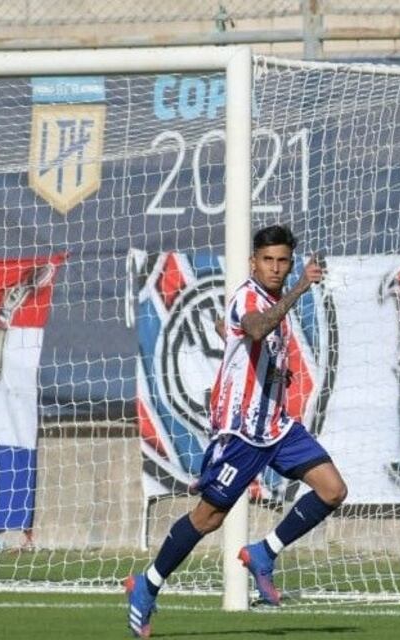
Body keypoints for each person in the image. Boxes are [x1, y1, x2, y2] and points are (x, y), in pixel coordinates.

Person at [125, 225, 348, 638]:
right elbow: (256, 327)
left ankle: (264, 552)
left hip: (277, 426)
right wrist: (300, 288)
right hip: (242, 432)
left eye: (283, 261)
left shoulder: (271, 300)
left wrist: (274, 368)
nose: (275, 268)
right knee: (208, 518)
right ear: (253, 263)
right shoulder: (251, 296)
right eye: (268, 260)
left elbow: (245, 337)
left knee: (332, 489)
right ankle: (147, 584)